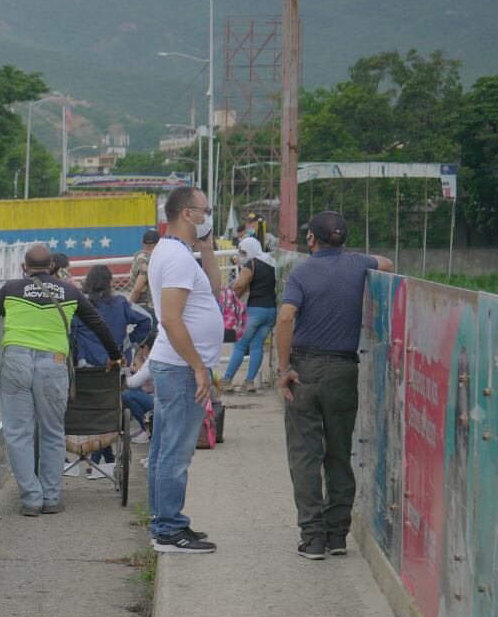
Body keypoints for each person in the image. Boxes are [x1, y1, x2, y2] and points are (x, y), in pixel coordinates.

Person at [275, 211, 395, 560]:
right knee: (339, 454)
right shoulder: (358, 264)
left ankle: (312, 538)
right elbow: (386, 263)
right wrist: (356, 262)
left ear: (311, 239)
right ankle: (337, 535)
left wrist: (284, 369)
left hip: (306, 370)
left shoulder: (301, 272)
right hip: (344, 369)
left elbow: (285, 317)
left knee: (305, 455)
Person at [0, 243, 122, 516]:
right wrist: (115, 354)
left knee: (18, 433)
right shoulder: (70, 291)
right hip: (54, 364)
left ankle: (31, 499)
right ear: (52, 267)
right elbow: (97, 323)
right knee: (52, 431)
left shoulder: (11, 288)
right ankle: (51, 497)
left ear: (24, 267)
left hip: (16, 360)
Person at [146, 186, 223, 554]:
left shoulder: (179, 253)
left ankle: (162, 522)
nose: (209, 215)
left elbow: (213, 290)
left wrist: (207, 249)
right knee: (175, 453)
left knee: (164, 449)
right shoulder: (176, 257)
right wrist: (197, 367)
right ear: (187, 213)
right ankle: (169, 530)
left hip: (175, 365)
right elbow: (172, 319)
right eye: (205, 210)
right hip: (180, 368)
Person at [69, 265, 152, 479]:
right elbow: (147, 321)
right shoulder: (121, 304)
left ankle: (99, 460)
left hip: (84, 371)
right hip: (115, 368)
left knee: (93, 409)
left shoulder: (78, 305)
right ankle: (102, 460)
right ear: (110, 282)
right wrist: (129, 341)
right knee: (109, 409)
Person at [221, 236, 278, 393]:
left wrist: (231, 299)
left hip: (255, 311)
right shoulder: (271, 262)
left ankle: (226, 381)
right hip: (271, 312)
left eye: (243, 251)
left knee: (240, 344)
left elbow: (239, 284)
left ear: (250, 250)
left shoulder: (251, 264)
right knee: (257, 345)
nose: (242, 254)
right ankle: (249, 382)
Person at [128, 229, 159, 316]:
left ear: (143, 243)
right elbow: (138, 289)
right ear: (158, 244)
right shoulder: (149, 260)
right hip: (148, 306)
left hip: (141, 306)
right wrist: (129, 306)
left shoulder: (138, 255)